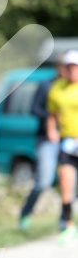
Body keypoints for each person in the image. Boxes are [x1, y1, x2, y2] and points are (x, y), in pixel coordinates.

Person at [18, 58, 68, 230]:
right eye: (65, 67)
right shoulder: (47, 85)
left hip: (68, 139)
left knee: (67, 183)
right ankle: (26, 211)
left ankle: (65, 224)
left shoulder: (72, 87)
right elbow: (34, 109)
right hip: (47, 139)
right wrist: (50, 118)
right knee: (44, 181)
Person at [47, 50, 78, 245]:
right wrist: (51, 129)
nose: (72, 70)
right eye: (69, 67)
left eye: (75, 66)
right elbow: (52, 113)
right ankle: (68, 225)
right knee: (65, 183)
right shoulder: (57, 88)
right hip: (67, 143)